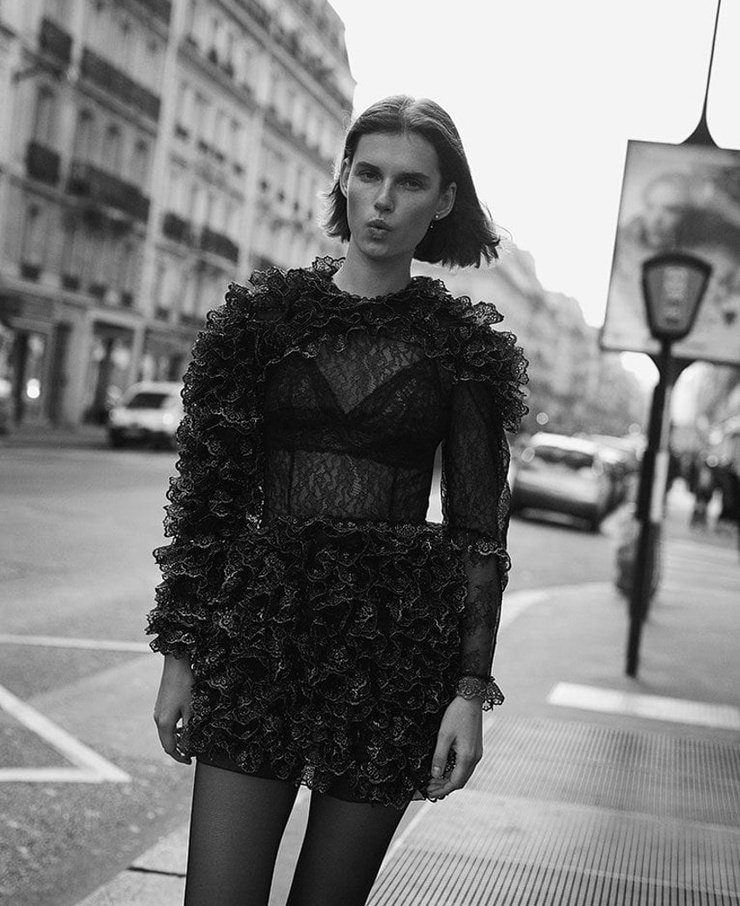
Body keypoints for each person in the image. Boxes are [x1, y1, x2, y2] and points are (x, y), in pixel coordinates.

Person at [146, 94, 527, 906]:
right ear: (344, 179)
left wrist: (468, 693)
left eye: (410, 183)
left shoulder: (464, 350)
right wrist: (180, 655)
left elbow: (477, 536)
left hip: (393, 651)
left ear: (443, 202)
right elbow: (207, 504)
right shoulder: (260, 323)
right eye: (370, 174)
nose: (384, 201)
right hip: (258, 635)